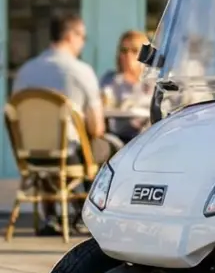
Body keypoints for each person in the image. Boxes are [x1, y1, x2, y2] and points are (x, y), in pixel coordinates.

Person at [11, 12, 115, 235]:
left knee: (53, 149)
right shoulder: (80, 71)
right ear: (71, 36)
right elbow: (97, 128)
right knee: (108, 146)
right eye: (83, 38)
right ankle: (87, 212)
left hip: (30, 156)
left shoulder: (25, 71)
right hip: (68, 155)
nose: (83, 43)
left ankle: (49, 215)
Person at [100, 29, 155, 143]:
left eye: (134, 51)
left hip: (144, 138)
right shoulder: (109, 79)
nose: (128, 55)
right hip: (114, 137)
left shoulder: (152, 82)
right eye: (124, 51)